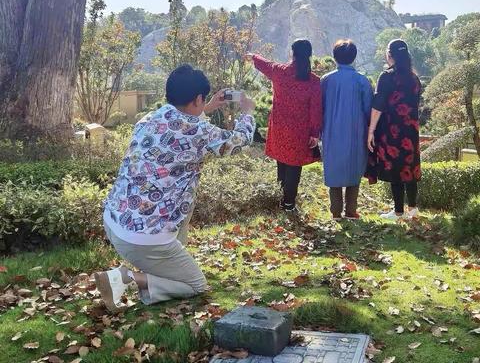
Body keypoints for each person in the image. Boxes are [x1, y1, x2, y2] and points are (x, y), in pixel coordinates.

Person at [95, 64, 255, 312]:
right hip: (144, 239)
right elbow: (239, 142)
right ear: (197, 99)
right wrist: (247, 112)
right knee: (196, 285)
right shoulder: (198, 131)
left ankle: (152, 270)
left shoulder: (150, 118)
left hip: (115, 222)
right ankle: (124, 278)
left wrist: (207, 107)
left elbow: (182, 127)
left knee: (177, 218)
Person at [246, 39, 322, 213]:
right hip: (300, 130)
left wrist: (252, 57)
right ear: (309, 55)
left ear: (292, 53)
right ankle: (288, 203)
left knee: (282, 161)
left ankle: (281, 198)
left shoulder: (279, 72)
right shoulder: (313, 80)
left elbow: (265, 64)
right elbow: (316, 109)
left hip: (280, 127)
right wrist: (314, 133)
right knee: (294, 165)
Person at [367, 39, 422, 220]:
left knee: (396, 167)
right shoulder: (414, 78)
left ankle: (398, 211)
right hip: (411, 130)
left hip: (392, 130)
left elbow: (378, 106)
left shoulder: (387, 76)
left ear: (389, 55)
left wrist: (370, 130)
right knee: (410, 166)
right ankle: (412, 209)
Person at [321, 39, 373, 220]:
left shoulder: (326, 80)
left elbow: (319, 108)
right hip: (356, 133)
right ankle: (351, 211)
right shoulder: (362, 81)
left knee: (334, 168)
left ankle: (336, 211)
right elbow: (368, 110)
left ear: (335, 57)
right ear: (354, 57)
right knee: (354, 168)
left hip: (331, 132)